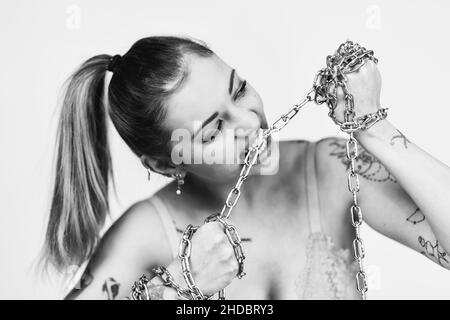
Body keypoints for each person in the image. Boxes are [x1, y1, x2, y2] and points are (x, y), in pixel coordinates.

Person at [41, 36, 450, 300]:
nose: (250, 123)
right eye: (214, 129)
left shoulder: (327, 168)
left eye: (238, 89)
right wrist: (182, 285)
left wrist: (374, 127)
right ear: (167, 165)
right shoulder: (146, 232)